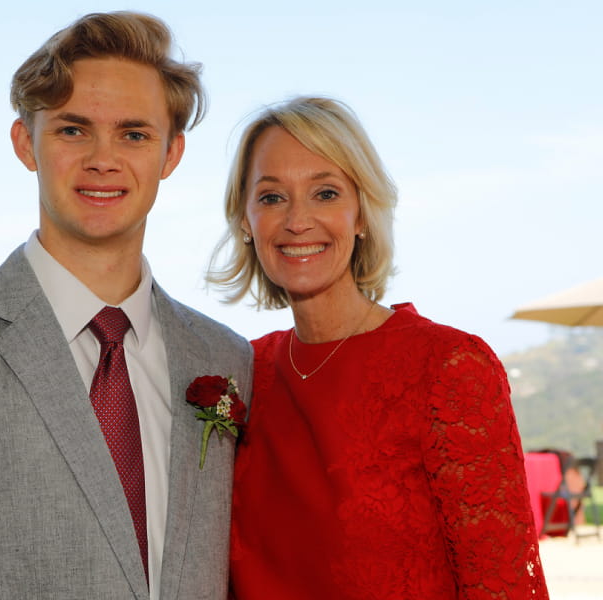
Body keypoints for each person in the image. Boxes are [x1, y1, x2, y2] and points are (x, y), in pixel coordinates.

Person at [0, 12, 252, 600]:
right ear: (24, 143)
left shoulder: (225, 357)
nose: (103, 158)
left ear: (171, 153)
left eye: (133, 134)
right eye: (73, 130)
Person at [209, 97, 548, 599]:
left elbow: (502, 587)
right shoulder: (242, 371)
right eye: (272, 197)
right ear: (245, 220)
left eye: (325, 193)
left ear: (362, 214)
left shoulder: (447, 367)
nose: (297, 220)